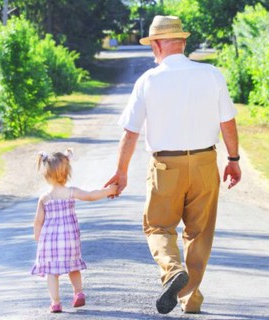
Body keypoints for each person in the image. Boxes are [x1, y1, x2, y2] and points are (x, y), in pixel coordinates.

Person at [105, 15, 241, 315]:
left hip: (166, 166)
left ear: (156, 45)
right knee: (199, 232)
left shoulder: (148, 81)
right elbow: (227, 122)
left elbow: (130, 133)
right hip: (206, 161)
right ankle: (189, 297)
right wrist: (233, 159)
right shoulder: (211, 74)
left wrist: (121, 172)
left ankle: (171, 270)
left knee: (158, 226)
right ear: (182, 41)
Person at [31, 148, 117, 313]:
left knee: (52, 273)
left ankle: (55, 303)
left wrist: (38, 238)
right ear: (67, 172)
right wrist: (108, 191)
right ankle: (78, 292)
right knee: (73, 267)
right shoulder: (71, 192)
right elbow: (91, 196)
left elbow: (38, 221)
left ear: (46, 174)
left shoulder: (45, 197)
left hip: (50, 241)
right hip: (69, 239)